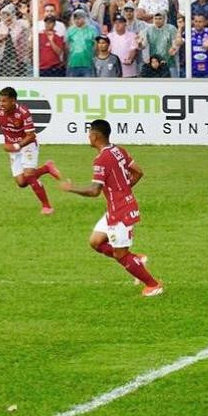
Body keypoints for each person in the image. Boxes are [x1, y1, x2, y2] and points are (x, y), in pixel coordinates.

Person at [60, 119, 163, 297]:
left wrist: (72, 188)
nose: (88, 137)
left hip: (120, 211)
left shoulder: (101, 159)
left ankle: (153, 285)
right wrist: (124, 189)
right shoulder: (118, 150)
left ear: (95, 135)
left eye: (89, 133)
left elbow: (94, 191)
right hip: (118, 207)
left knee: (120, 254)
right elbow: (138, 171)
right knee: (96, 242)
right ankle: (137, 260)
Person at [0, 86, 62, 214]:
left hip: (27, 145)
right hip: (13, 147)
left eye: (4, 101)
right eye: (0, 101)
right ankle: (46, 168)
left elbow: (31, 135)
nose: (1, 104)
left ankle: (47, 206)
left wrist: (17, 146)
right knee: (21, 183)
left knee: (29, 175)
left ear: (13, 101)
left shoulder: (23, 112)